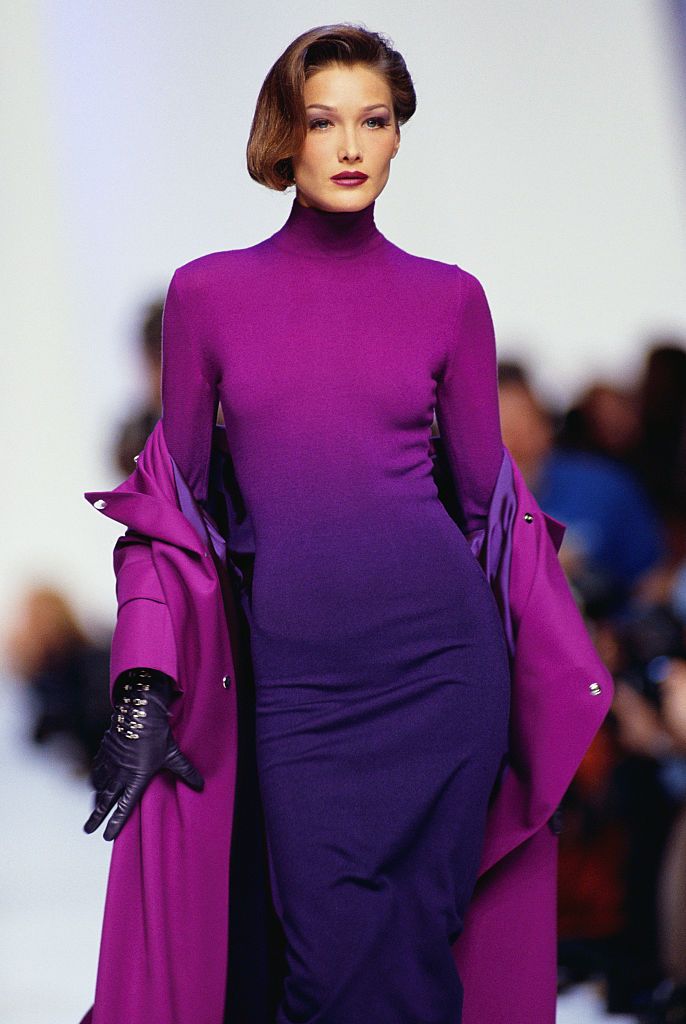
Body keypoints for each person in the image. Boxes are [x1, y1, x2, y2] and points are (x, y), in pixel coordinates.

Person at [84, 24, 516, 1023]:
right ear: (284, 135)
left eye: (375, 120)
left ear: (399, 134)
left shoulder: (452, 300)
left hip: (443, 676)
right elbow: (172, 506)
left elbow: (486, 512)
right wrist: (143, 682)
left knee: (417, 956)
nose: (351, 146)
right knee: (322, 966)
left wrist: (549, 675)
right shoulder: (207, 294)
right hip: (300, 691)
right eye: (323, 122)